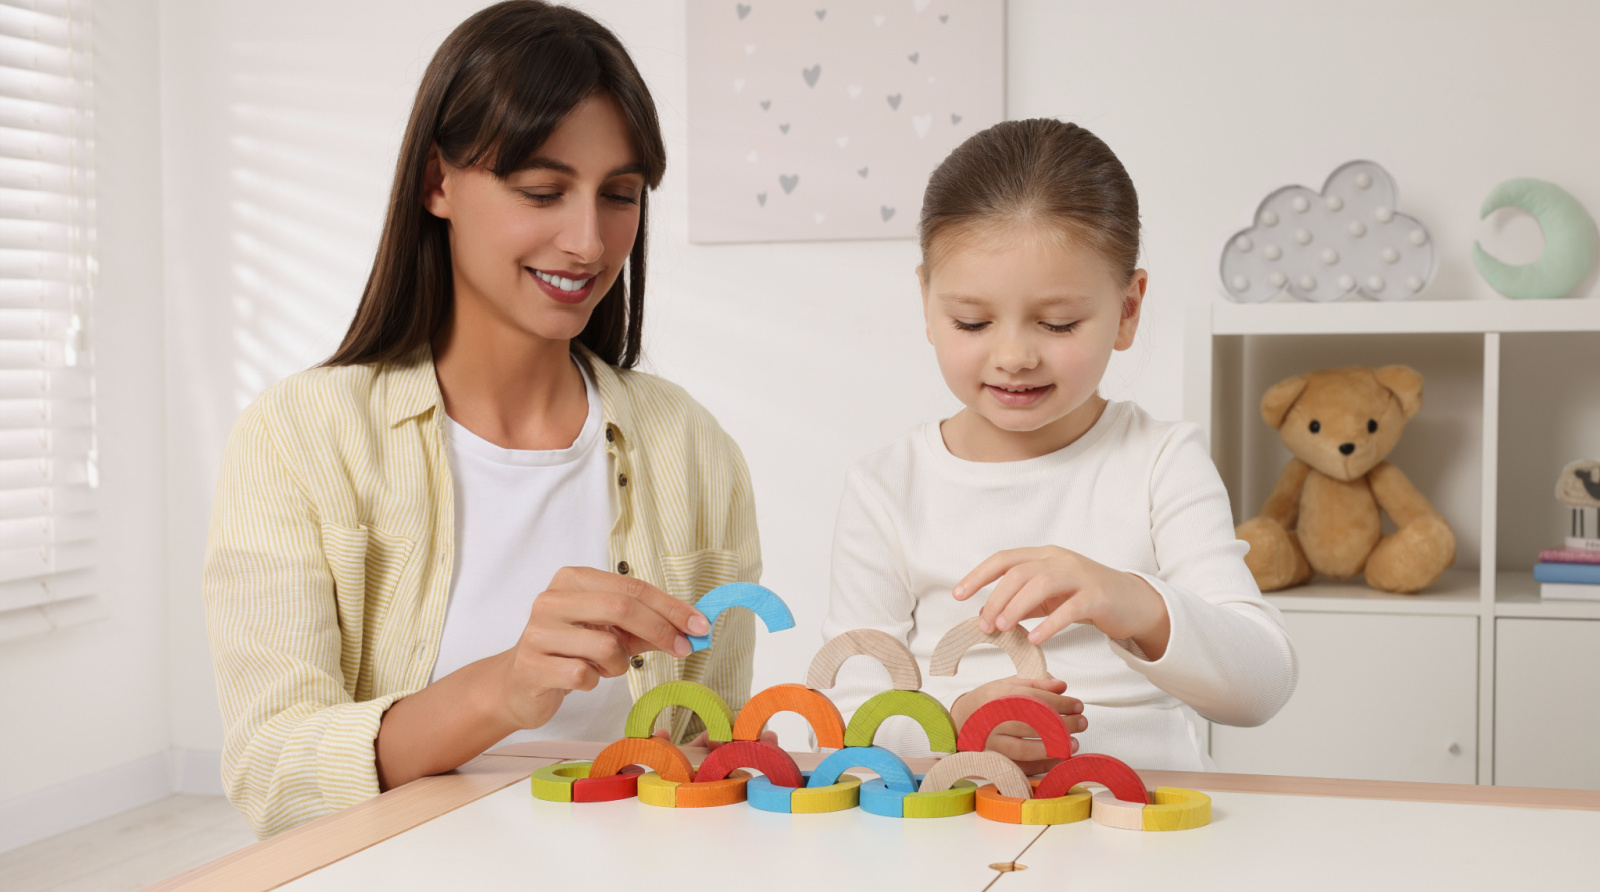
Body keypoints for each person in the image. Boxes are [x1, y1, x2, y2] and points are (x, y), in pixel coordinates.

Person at [206, 2, 761, 838]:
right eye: (542, 191)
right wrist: (503, 688)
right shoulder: (303, 436)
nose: (587, 240)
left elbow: (712, 758)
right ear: (438, 183)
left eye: (619, 195)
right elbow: (273, 770)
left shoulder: (692, 449)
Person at [822, 119, 1296, 772]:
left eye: (1057, 323)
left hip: (1145, 824)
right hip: (960, 827)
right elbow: (843, 718)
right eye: (972, 321)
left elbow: (1261, 686)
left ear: (1128, 309)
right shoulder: (887, 486)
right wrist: (948, 728)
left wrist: (1128, 599)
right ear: (926, 302)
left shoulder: (1160, 462)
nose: (1014, 355)